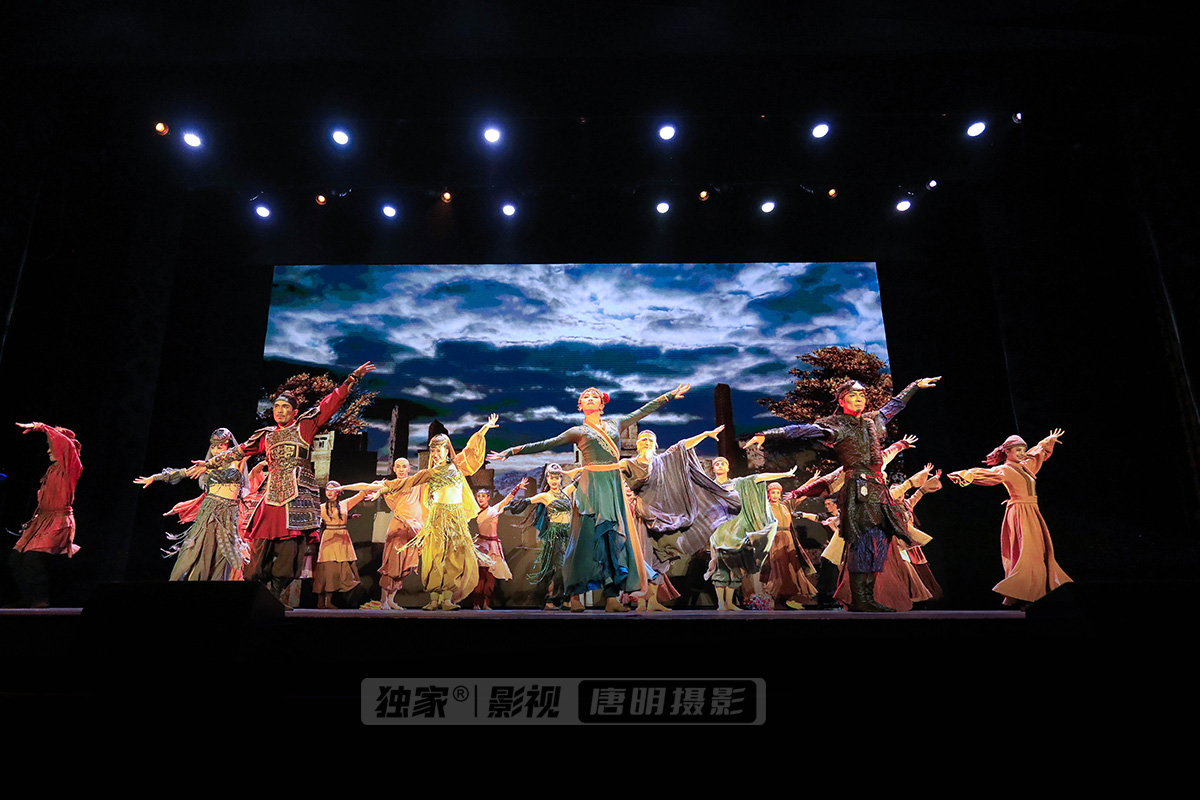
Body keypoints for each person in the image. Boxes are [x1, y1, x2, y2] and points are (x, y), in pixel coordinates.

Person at [489, 384, 690, 612]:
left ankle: (612, 599)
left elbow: (642, 411)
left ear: (602, 405)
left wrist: (668, 396)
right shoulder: (578, 431)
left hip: (612, 485)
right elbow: (546, 443)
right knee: (584, 541)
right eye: (586, 397)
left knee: (612, 540)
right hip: (591, 485)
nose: (591, 398)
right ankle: (574, 596)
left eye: (595, 396)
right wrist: (511, 451)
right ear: (580, 405)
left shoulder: (616, 424)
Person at [188, 362, 375, 604]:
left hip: (296, 500)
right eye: (276, 406)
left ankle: (275, 596)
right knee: (257, 553)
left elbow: (330, 404)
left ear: (295, 412)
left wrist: (351, 379)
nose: (280, 411)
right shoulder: (266, 435)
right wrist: (209, 464)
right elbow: (240, 450)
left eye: (285, 407)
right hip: (271, 498)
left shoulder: (305, 426)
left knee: (289, 554)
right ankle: (257, 594)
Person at [750, 376, 940, 611]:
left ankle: (868, 596)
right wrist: (769, 434)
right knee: (863, 543)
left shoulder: (871, 421)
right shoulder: (836, 425)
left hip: (879, 490)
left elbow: (893, 406)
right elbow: (804, 430)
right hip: (858, 489)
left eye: (862, 395)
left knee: (881, 542)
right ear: (841, 401)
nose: (859, 399)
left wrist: (914, 386)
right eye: (853, 395)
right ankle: (861, 598)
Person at [584, 425, 735, 611]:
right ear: (637, 444)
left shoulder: (662, 461)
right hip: (640, 515)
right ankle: (641, 602)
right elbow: (608, 471)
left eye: (650, 440)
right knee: (642, 556)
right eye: (643, 440)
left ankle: (654, 601)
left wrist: (704, 433)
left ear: (655, 445)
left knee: (661, 557)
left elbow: (682, 446)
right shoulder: (629, 463)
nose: (647, 443)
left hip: (663, 517)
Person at [948, 429, 1071, 607]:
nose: (1022, 453)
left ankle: (1036, 592)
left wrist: (1048, 441)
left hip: (1032, 511)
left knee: (1039, 552)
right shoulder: (1005, 469)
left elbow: (1036, 455)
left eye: (1023, 450)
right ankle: (1025, 594)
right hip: (1020, 512)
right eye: (1017, 450)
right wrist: (965, 474)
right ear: (1007, 452)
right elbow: (988, 474)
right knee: (1027, 552)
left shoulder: (1025, 467)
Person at [401, 415, 499, 611]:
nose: (435, 454)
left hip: (454, 519)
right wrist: (381, 489)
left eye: (439, 450)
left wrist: (485, 428)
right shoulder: (430, 473)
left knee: (452, 558)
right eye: (433, 451)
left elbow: (470, 450)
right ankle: (433, 599)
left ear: (447, 451)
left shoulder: (456, 467)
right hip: (436, 519)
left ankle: (447, 599)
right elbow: (405, 483)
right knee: (434, 557)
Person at [134, 427, 249, 581]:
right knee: (199, 549)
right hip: (210, 512)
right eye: (213, 447)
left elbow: (253, 448)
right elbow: (183, 473)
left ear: (228, 444)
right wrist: (155, 477)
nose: (215, 451)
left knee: (222, 555)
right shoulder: (207, 465)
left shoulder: (238, 460)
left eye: (220, 447)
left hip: (229, 515)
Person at [704, 455, 798, 612]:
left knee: (736, 566)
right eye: (717, 463)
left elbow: (759, 477)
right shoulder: (710, 487)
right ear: (713, 469)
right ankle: (721, 603)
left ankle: (729, 603)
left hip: (736, 530)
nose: (720, 465)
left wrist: (785, 474)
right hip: (719, 529)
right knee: (720, 566)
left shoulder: (738, 483)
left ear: (728, 468)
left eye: (723, 463)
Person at [8, 422, 83, 608]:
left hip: (58, 521)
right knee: (15, 559)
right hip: (43, 520)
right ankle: (28, 598)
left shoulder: (71, 467)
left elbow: (66, 445)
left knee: (33, 560)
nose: (49, 451)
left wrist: (41, 427)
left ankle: (40, 600)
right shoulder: (52, 469)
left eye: (52, 447)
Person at [518, 463, 583, 610]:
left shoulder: (566, 492)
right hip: (555, 534)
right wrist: (504, 506)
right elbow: (526, 501)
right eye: (551, 477)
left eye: (557, 477)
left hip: (567, 534)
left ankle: (564, 600)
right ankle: (552, 600)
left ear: (560, 478)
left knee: (568, 567)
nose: (554, 480)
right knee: (558, 567)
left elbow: (583, 477)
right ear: (547, 478)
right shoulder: (545, 496)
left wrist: (568, 472)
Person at [469, 481, 528, 610]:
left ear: (488, 497)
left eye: (483, 496)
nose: (481, 499)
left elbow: (507, 499)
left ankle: (486, 603)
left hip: (493, 546)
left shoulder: (494, 509)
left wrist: (518, 487)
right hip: (482, 545)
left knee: (491, 576)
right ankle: (476, 603)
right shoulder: (474, 511)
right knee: (481, 575)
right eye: (478, 496)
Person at [763, 481, 819, 609]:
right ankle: (779, 599)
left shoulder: (785, 505)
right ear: (768, 494)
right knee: (779, 568)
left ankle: (788, 598)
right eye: (772, 492)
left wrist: (813, 481)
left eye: (778, 492)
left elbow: (800, 494)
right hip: (775, 539)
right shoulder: (765, 507)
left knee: (792, 568)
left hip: (789, 540)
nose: (775, 495)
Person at [313, 481, 367, 609]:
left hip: (342, 538)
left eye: (333, 490)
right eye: (327, 489)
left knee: (340, 570)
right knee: (327, 569)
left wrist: (375, 485)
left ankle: (328, 600)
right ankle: (322, 602)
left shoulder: (344, 504)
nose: (329, 492)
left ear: (338, 491)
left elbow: (361, 494)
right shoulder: (321, 507)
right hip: (329, 538)